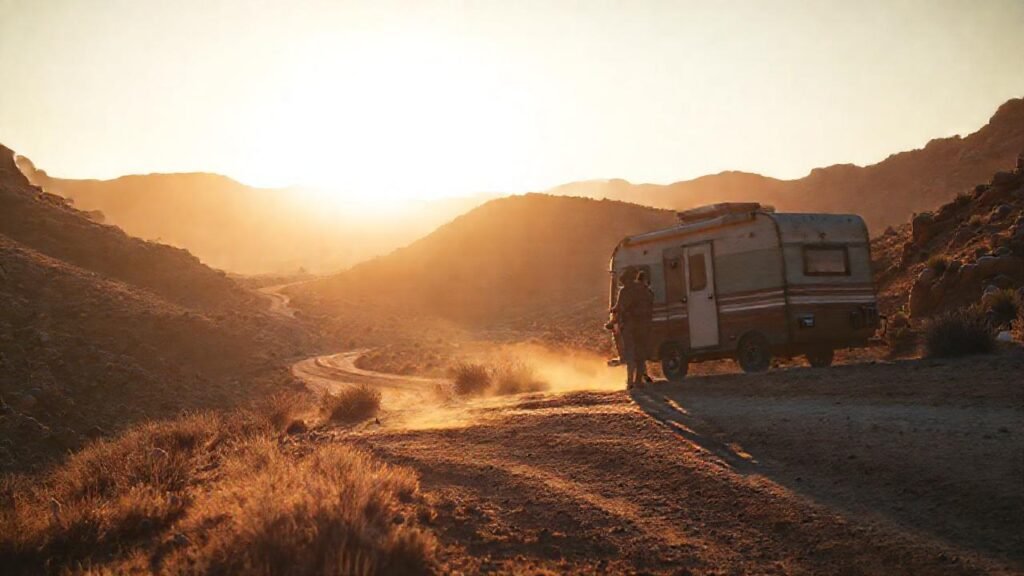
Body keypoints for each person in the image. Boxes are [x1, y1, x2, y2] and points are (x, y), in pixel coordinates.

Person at [632, 270, 655, 385]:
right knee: (641, 352)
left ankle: (642, 375)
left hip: (635, 325)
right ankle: (640, 378)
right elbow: (651, 301)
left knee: (638, 353)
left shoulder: (634, 290)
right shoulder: (645, 291)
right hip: (641, 325)